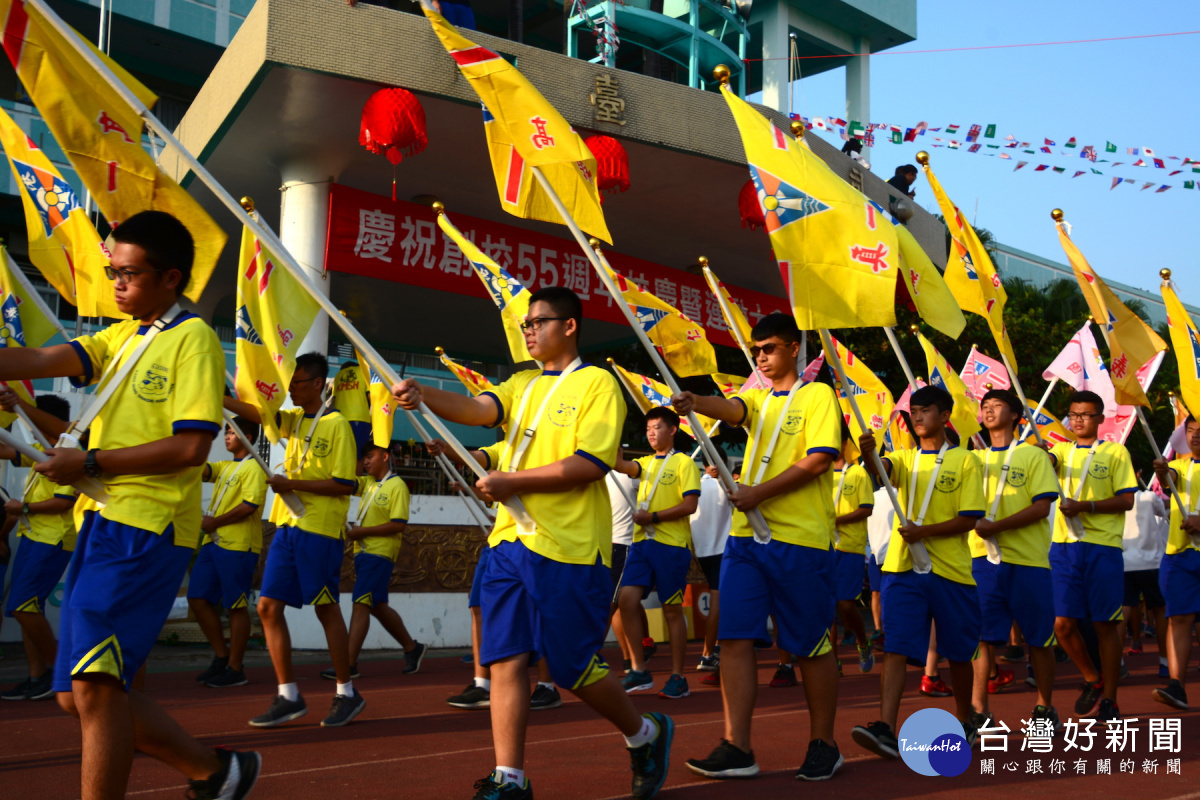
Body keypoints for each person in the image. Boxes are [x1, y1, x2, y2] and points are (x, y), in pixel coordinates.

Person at [0, 211, 259, 799]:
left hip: (145, 525)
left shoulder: (191, 339)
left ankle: (213, 773)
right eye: (112, 271)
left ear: (171, 278)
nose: (116, 284)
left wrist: (88, 463)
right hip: (100, 521)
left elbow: (192, 446)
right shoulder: (122, 336)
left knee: (94, 688)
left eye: (129, 274)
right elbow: (43, 361)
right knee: (76, 692)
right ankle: (214, 772)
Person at [393, 287, 672, 800]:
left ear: (568, 326)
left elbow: (589, 464)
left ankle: (644, 734)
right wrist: (423, 394)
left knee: (571, 668)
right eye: (526, 324)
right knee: (506, 658)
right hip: (509, 543)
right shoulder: (520, 384)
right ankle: (510, 779)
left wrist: (514, 482)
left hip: (567, 549)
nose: (528, 331)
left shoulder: (597, 385)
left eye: (538, 322)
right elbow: (478, 410)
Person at [672, 312, 844, 782]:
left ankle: (824, 742)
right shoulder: (759, 399)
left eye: (769, 348)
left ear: (793, 348)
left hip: (799, 539)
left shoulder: (817, 395)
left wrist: (758, 494)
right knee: (734, 637)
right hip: (747, 540)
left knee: (809, 644)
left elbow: (819, 461)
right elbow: (732, 409)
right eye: (756, 351)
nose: (762, 358)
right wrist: (694, 402)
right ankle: (737, 746)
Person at [225, 351, 365, 728]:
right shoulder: (295, 420)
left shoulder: (337, 424)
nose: (291, 389)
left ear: (318, 384)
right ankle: (288, 694)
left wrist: (293, 484)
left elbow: (345, 484)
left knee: (325, 607)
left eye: (298, 382)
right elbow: (261, 416)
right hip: (287, 525)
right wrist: (218, 397)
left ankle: (346, 692)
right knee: (268, 607)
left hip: (319, 528)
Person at [851, 385, 984, 760]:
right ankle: (886, 727)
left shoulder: (964, 461)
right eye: (914, 411)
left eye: (926, 410)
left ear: (945, 416)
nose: (918, 417)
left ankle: (965, 719)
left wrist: (924, 532)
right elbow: (883, 471)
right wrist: (869, 456)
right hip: (903, 568)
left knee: (958, 654)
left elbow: (970, 518)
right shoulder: (904, 458)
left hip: (951, 571)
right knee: (895, 648)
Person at [969, 389, 1061, 728]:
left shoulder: (1033, 456)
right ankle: (979, 708)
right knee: (981, 636)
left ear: (1015, 416)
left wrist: (997, 526)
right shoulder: (973, 460)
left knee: (1039, 638)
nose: (989, 411)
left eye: (998, 406)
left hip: (1028, 561)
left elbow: (1041, 507)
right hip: (982, 560)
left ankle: (1044, 706)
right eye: (985, 406)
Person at [1043, 390, 1136, 721]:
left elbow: (1127, 500)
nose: (1078, 419)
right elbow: (1047, 463)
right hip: (1064, 548)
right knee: (1062, 625)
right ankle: (1092, 679)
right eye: (1073, 414)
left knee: (1104, 624)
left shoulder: (1115, 452)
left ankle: (1110, 698)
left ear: (1099, 418)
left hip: (1102, 548)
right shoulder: (1060, 451)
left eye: (1085, 414)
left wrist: (1087, 506)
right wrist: (1041, 455)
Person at [613, 408, 702, 699]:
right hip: (641, 545)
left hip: (671, 546)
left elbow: (689, 506)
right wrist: (608, 429)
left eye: (657, 428)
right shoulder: (645, 463)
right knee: (626, 600)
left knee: (672, 611)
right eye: (649, 428)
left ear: (672, 430)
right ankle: (638, 669)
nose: (651, 433)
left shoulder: (684, 464)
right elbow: (618, 464)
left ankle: (678, 676)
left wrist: (654, 517)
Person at [318, 443, 426, 680]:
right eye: (364, 458)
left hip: (380, 552)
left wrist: (362, 532)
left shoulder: (397, 486)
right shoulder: (367, 483)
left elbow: (398, 524)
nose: (365, 462)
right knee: (376, 605)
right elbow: (345, 482)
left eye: (370, 457)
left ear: (385, 456)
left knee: (361, 602)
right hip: (363, 552)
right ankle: (411, 647)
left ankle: (348, 663)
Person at [0, 393, 77, 701]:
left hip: (53, 539)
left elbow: (64, 501)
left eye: (27, 418)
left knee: (24, 606)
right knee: (27, 609)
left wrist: (26, 510)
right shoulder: (38, 451)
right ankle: (39, 675)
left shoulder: (70, 453)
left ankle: (62, 673)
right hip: (34, 538)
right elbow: (7, 451)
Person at [189, 417, 269, 689]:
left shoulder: (255, 469)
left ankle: (236, 667)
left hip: (238, 545)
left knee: (235, 605)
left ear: (247, 437)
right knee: (197, 598)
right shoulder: (225, 467)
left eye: (232, 433)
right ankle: (222, 657)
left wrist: (215, 522)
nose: (226, 437)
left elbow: (250, 505)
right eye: (225, 432)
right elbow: (200, 469)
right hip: (214, 542)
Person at [1151, 416, 1200, 710]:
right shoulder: (1180, 467)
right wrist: (1162, 472)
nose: (1195, 436)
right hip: (1179, 555)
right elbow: (1170, 478)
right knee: (1179, 618)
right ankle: (1177, 685)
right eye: (1191, 431)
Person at [831, 433, 875, 673]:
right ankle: (832, 662)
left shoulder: (858, 473)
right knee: (826, 607)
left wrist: (835, 520)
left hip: (850, 548)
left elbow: (866, 509)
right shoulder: (819, 471)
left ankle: (862, 641)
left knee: (845, 604)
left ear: (845, 444)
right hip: (824, 546)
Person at [1119, 487, 1168, 677]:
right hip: (1151, 562)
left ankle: (1118, 662)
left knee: (1123, 611)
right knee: (1160, 610)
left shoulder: (1115, 500)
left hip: (1125, 562)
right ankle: (1164, 661)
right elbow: (1162, 512)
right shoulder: (1149, 496)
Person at [690, 463, 732, 677]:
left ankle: (715, 648)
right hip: (722, 549)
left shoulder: (694, 484)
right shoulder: (724, 484)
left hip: (702, 550)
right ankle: (708, 653)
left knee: (721, 602)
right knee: (719, 603)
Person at [333, 359, 372, 465]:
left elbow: (334, 400)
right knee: (358, 457)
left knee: (341, 455)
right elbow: (371, 397)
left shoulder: (338, 376)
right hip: (359, 418)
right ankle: (356, 481)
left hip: (338, 420)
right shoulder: (363, 372)